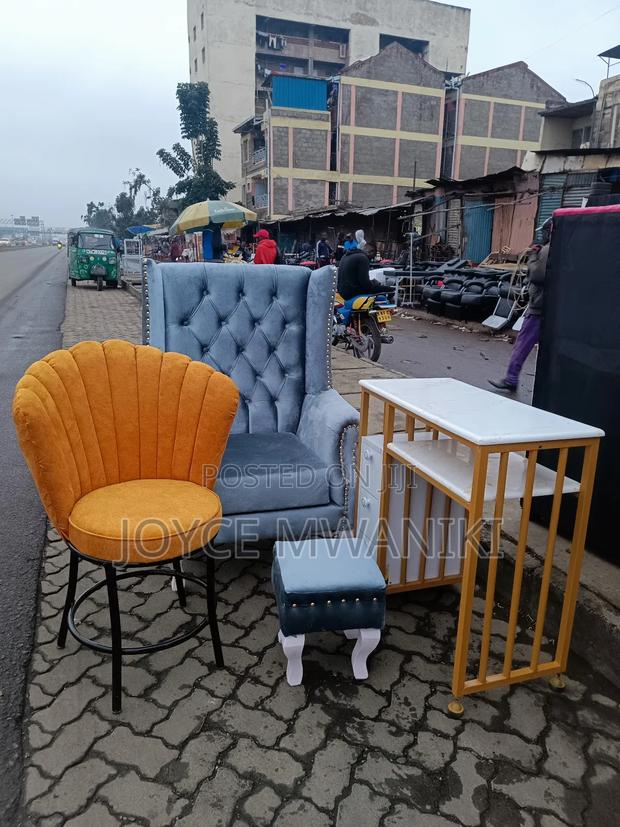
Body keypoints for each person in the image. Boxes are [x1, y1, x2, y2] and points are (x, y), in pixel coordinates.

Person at [489, 219, 551, 393]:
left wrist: (532, 257)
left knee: (523, 343)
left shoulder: (546, 250)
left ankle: (511, 379)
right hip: (548, 306)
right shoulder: (560, 248)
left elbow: (538, 275)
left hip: (538, 307)